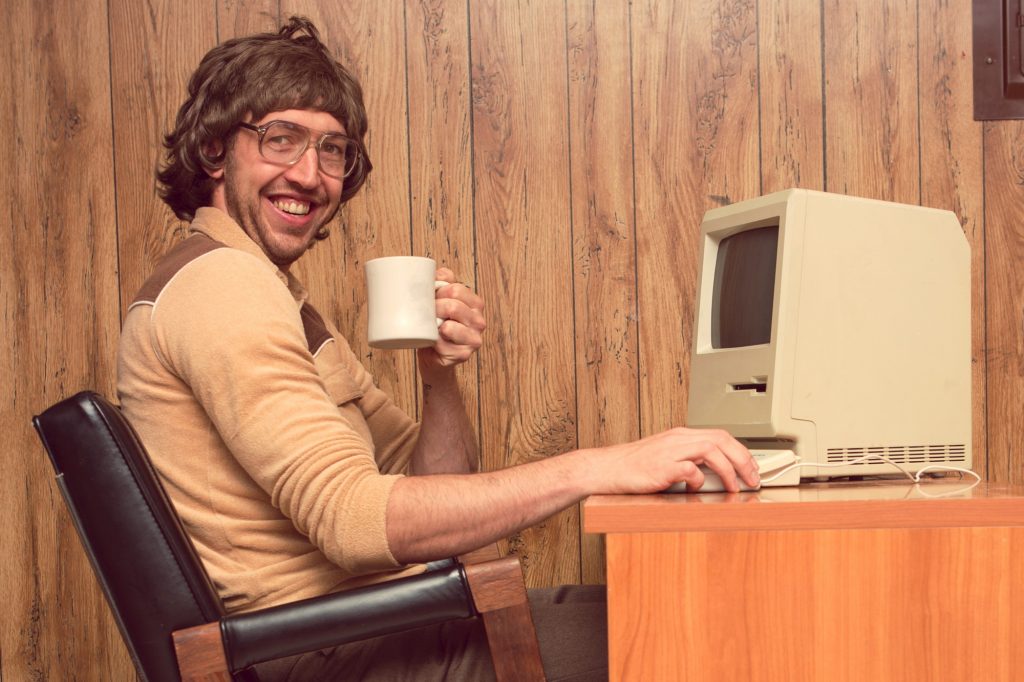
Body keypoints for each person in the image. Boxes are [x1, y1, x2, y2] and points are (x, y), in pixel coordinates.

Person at [117, 16, 760, 682]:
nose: (310, 174)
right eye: (281, 140)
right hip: (334, 657)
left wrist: (439, 378)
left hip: (385, 630)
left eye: (332, 150)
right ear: (216, 152)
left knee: (669, 609)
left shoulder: (269, 293)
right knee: (703, 633)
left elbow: (431, 493)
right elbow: (355, 521)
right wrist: (597, 468)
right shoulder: (222, 285)